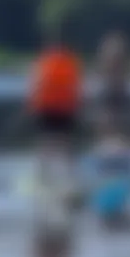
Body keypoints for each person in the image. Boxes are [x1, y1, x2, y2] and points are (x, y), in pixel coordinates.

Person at [28, 31, 83, 181]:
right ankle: (62, 174)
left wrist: (33, 105)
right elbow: (76, 87)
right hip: (58, 108)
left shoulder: (46, 61)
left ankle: (44, 174)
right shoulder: (67, 61)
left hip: (53, 108)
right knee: (61, 142)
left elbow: (36, 85)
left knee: (50, 142)